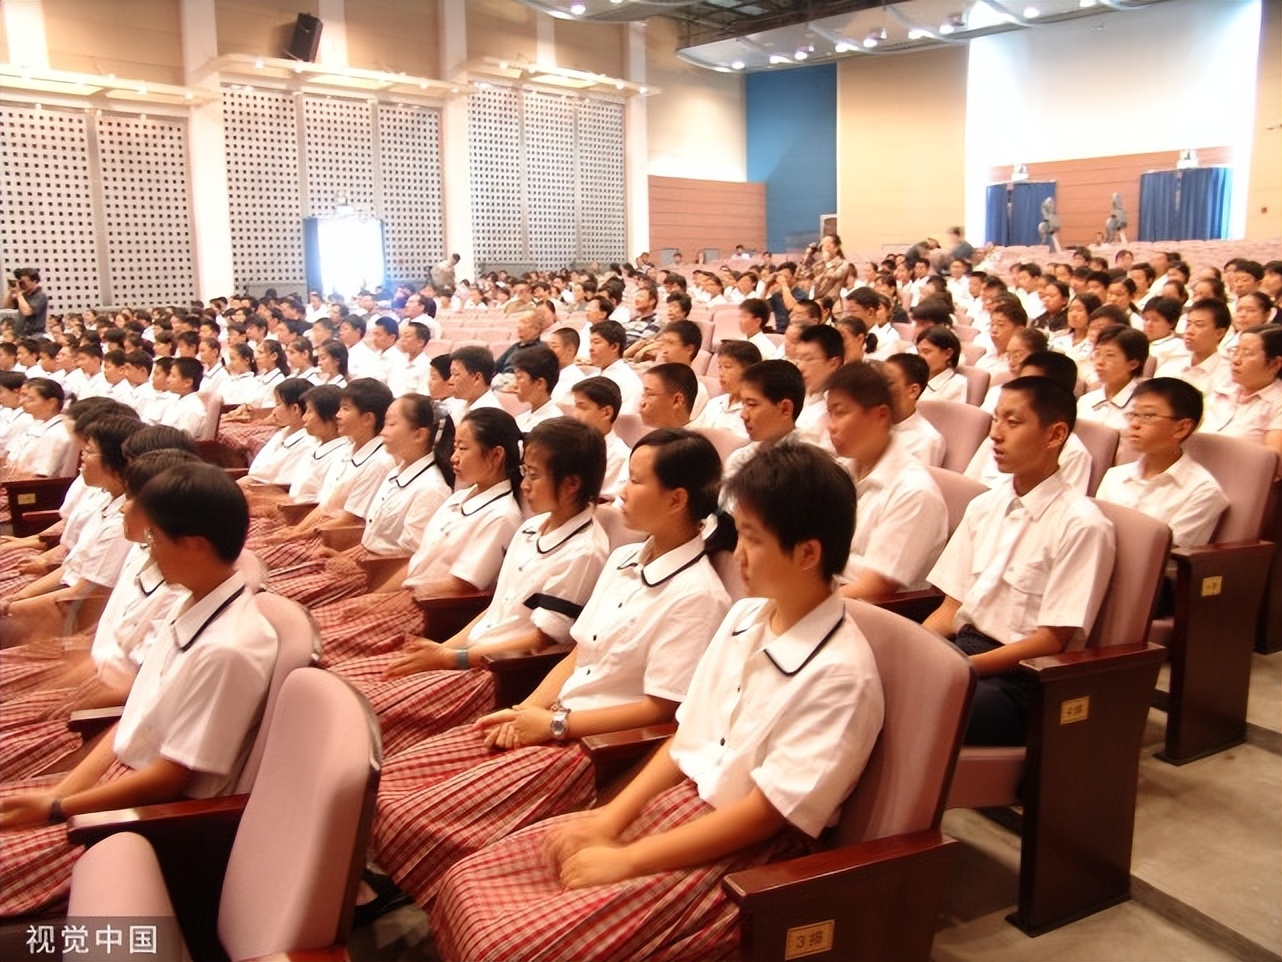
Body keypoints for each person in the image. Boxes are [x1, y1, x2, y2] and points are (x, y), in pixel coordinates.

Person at [430, 442, 884, 962]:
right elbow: (683, 738)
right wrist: (608, 820)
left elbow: (762, 816)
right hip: (678, 806)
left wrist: (628, 860)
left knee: (510, 944)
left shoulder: (840, 675)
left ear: (808, 553)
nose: (738, 556)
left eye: (754, 541)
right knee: (467, 880)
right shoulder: (746, 617)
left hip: (743, 852)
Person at [362, 427, 731, 917]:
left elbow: (662, 708)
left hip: (588, 745)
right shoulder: (624, 559)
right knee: (387, 781)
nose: (621, 490)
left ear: (677, 499)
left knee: (413, 812)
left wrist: (553, 725)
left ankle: (403, 890)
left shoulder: (698, 595)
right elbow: (577, 654)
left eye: (636, 482)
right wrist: (525, 711)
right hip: (551, 715)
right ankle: (380, 881)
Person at [0, 463, 278, 917]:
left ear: (193, 545)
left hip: (139, 820)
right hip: (111, 788)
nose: (148, 555)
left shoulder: (227, 649)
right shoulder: (192, 602)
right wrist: (63, 792)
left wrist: (59, 809)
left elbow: (171, 776)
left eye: (155, 541)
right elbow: (135, 718)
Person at [926, 377, 1115, 746]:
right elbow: (951, 608)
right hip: (963, 653)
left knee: (919, 706)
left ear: (1055, 434)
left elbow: (1051, 640)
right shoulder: (984, 505)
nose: (996, 434)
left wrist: (959, 669)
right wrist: (917, 652)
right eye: (996, 420)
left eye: (1013, 422)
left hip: (1022, 679)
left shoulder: (1082, 525)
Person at [825, 363, 948, 599]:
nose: (831, 426)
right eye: (829, 412)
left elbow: (873, 590)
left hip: (868, 615)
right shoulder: (840, 471)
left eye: (840, 412)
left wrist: (802, 606)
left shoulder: (914, 492)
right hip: (827, 592)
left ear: (881, 415)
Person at [1096, 379, 1228, 548]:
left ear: (1182, 428)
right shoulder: (1115, 476)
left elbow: (1164, 554)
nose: (1135, 424)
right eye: (1133, 414)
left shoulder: (1203, 491)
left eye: (1148, 416)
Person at [966, 351, 1093, 493]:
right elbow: (968, 484)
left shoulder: (1074, 452)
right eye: (1020, 382)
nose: (995, 434)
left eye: (1032, 385)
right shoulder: (1000, 433)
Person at [1199, 324, 1282, 468]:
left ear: (1275, 364)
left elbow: (1273, 466)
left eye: (1247, 353)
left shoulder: (1277, 403)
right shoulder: (1224, 386)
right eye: (1236, 351)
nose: (1236, 360)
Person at [723, 360, 806, 480]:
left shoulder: (810, 468)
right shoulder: (741, 459)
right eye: (743, 404)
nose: (743, 415)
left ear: (785, 409)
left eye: (752, 404)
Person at [1156, 298, 1232, 397]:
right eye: (1188, 324)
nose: (1189, 331)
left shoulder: (1228, 375)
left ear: (1220, 333)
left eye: (1199, 325)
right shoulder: (1170, 366)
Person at [1078, 325, 1148, 431]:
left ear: (1133, 364)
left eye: (1110, 355)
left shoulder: (1143, 406)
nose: (1100, 362)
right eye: (1097, 353)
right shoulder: (1086, 400)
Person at [882, 353, 947, 468]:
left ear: (913, 391)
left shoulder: (927, 440)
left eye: (888, 383)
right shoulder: (871, 421)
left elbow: (920, 484)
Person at [570, 377, 630, 499]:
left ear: (606, 412)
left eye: (582, 407)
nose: (575, 414)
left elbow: (604, 500)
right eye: (575, 406)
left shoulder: (619, 455)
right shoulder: (567, 444)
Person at [691, 340, 761, 439]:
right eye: (719, 366)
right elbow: (694, 432)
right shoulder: (714, 403)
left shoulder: (755, 412)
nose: (721, 373)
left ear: (749, 371)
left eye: (727, 367)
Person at [792, 325, 844, 449]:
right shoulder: (794, 393)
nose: (800, 367)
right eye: (799, 358)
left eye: (809, 359)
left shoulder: (841, 405)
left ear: (834, 363)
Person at [588, 320, 642, 416]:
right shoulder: (594, 376)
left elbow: (625, 418)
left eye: (596, 342)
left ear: (614, 346)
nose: (591, 348)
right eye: (590, 342)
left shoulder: (628, 381)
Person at [511, 345, 562, 433]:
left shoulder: (554, 424)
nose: (514, 385)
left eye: (519, 378)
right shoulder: (521, 418)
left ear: (540, 383)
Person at [916, 325, 967, 404]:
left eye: (926, 352)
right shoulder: (914, 376)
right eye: (918, 351)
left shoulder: (958, 384)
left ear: (948, 353)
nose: (920, 357)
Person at [639, 362, 697, 430]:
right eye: (644, 395)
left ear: (677, 401)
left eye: (650, 395)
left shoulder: (695, 439)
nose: (642, 403)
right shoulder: (638, 432)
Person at [4, 268, 49, 337]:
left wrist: (19, 294)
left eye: (25, 281)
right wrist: (11, 291)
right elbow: (7, 306)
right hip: (20, 334)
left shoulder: (40, 296)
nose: (23, 284)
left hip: (34, 335)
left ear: (34, 281)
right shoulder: (23, 295)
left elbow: (27, 312)